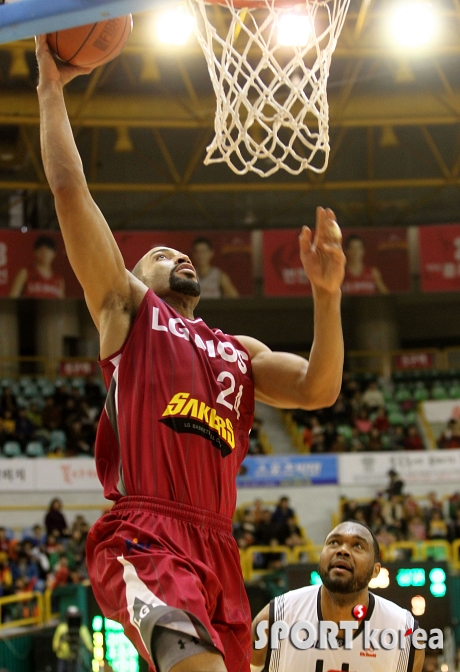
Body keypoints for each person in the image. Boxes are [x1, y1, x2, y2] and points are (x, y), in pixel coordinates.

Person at [35, 34, 345, 672]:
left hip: (219, 548)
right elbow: (70, 191)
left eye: (182, 254)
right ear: (135, 275)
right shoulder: (129, 312)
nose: (176, 255)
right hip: (147, 535)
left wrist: (327, 294)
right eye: (158, 254)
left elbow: (319, 389)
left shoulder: (240, 350)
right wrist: (51, 90)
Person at [251, 520, 424, 672]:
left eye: (358, 546)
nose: (342, 550)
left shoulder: (405, 633)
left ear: (375, 571)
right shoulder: (276, 618)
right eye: (334, 542)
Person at [52, 605, 93, 672]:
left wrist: (90, 649)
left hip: (76, 658)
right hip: (63, 658)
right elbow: (56, 642)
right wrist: (57, 647)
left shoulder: (82, 629)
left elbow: (88, 641)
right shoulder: (62, 628)